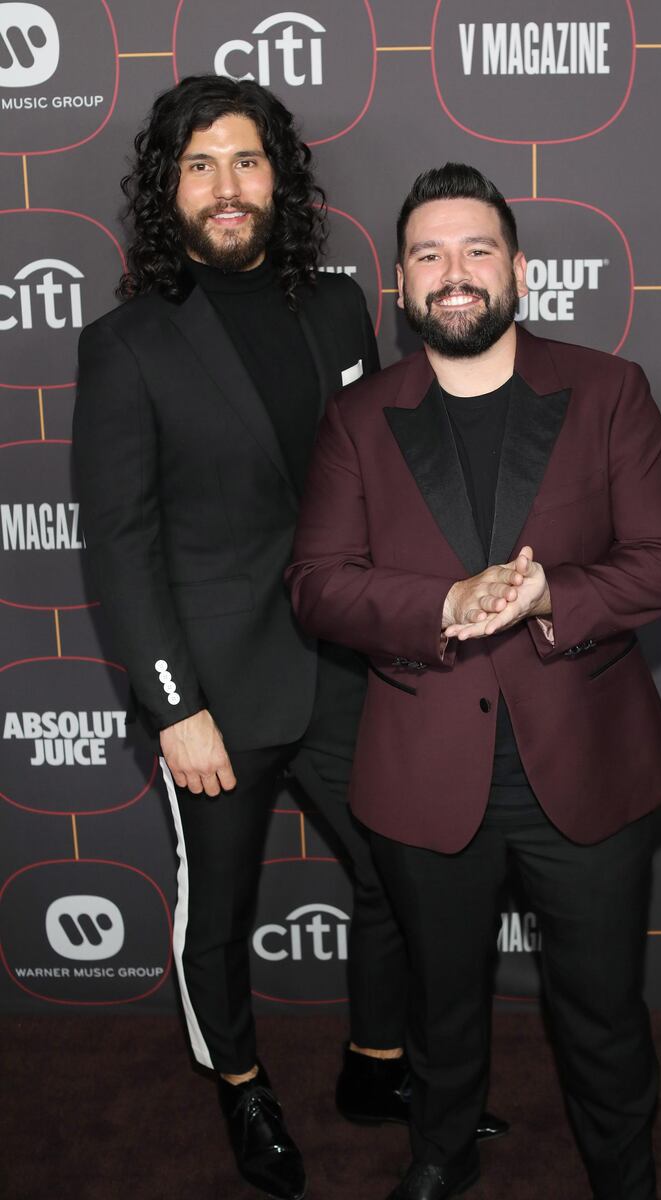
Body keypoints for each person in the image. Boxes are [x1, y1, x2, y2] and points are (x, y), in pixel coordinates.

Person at [73, 80, 504, 1200]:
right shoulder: (125, 346)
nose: (227, 186)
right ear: (168, 191)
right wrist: (173, 707)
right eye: (199, 165)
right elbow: (120, 546)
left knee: (389, 875)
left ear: (282, 178)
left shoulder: (337, 306)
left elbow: (375, 482)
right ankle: (242, 1087)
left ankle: (374, 1066)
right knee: (214, 911)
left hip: (345, 665)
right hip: (214, 686)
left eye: (247, 161)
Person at [287, 163, 661, 1200]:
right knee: (439, 1004)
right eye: (428, 254)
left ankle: (623, 1174)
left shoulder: (607, 389)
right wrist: (440, 605)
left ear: (518, 270)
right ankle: (440, 1148)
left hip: (588, 767)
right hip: (424, 772)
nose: (453, 273)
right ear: (400, 284)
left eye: (475, 250)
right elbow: (318, 589)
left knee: (600, 1008)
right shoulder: (357, 420)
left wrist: (547, 592)